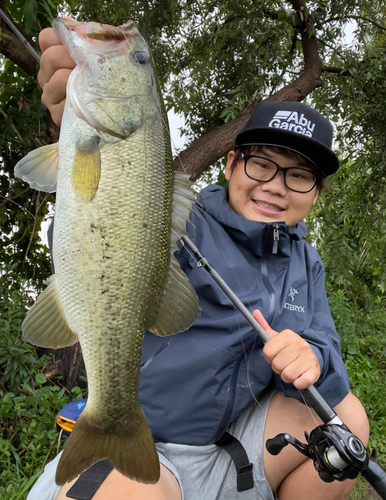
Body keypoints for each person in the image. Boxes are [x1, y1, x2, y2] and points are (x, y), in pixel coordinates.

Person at [28, 26, 369, 500]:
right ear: (230, 164)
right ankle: (109, 436)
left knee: (347, 417)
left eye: (299, 176)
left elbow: (327, 355)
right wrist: (76, 139)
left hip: (231, 450)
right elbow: (90, 240)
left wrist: (314, 360)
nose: (275, 185)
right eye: (261, 164)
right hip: (150, 447)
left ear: (314, 193)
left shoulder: (305, 262)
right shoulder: (182, 221)